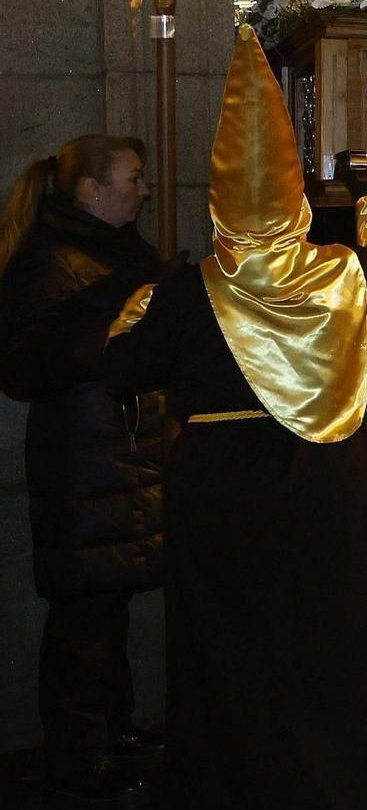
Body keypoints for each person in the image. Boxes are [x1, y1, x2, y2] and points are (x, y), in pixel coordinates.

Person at [102, 27, 367, 808]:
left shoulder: (185, 291)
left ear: (220, 200)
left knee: (233, 653)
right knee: (332, 643)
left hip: (224, 499)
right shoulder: (341, 272)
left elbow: (123, 365)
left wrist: (134, 306)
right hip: (329, 491)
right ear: (294, 194)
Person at [0, 137, 167, 806]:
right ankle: (77, 763)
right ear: (92, 192)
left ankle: (114, 733)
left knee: (109, 609)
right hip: (83, 464)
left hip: (118, 459)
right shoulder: (50, 258)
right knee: (82, 623)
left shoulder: (118, 251)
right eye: (135, 179)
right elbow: (20, 362)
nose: (146, 189)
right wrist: (110, 330)